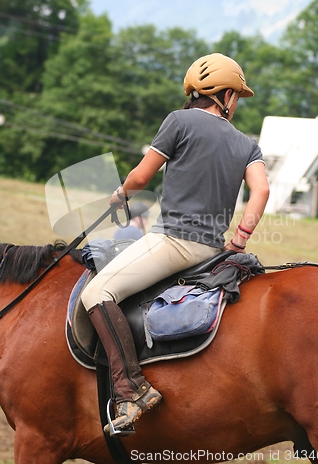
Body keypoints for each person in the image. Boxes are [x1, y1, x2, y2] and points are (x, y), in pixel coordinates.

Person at [81, 52, 270, 435]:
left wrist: (121, 194)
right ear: (225, 96)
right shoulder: (247, 144)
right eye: (236, 95)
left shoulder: (179, 121)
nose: (236, 103)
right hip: (213, 250)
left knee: (96, 294)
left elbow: (141, 175)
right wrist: (238, 242)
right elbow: (261, 191)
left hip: (172, 242)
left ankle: (131, 389)